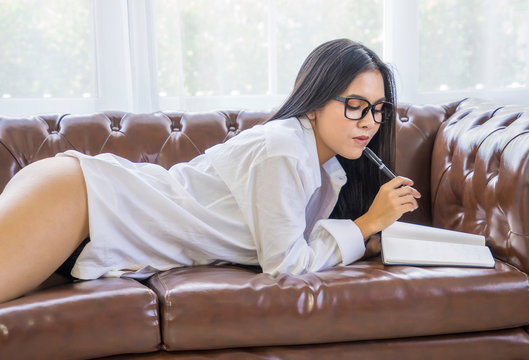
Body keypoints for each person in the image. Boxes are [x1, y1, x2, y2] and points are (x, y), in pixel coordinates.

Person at [0, 38, 420, 304]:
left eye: (379, 109)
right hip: (84, 200)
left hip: (96, 226)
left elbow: (292, 242)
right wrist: (366, 224)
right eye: (356, 105)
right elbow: (286, 266)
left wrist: (364, 240)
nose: (370, 121)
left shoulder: (328, 170)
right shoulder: (284, 149)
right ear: (314, 102)